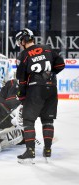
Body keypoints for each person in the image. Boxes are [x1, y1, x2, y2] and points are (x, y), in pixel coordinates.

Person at [15, 28, 65, 163]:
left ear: (23, 40)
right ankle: (47, 149)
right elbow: (61, 64)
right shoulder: (47, 48)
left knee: (28, 120)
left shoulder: (24, 55)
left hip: (35, 89)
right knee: (48, 120)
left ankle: (30, 151)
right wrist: (48, 73)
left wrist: (21, 95)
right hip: (51, 88)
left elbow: (22, 79)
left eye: (20, 41)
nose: (19, 44)